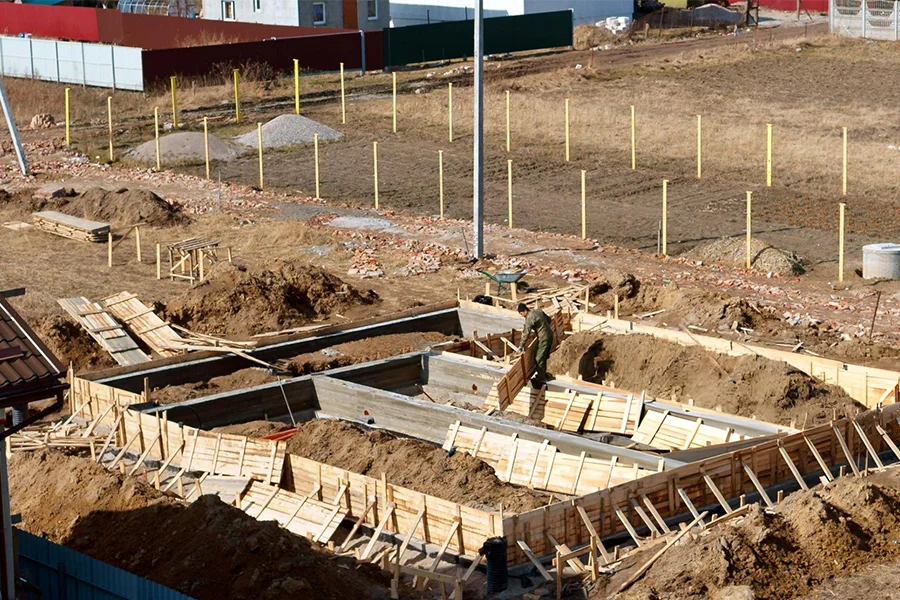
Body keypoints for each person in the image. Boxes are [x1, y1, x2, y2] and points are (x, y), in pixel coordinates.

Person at [517, 303, 553, 386]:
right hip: (549, 335)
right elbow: (549, 320)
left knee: (539, 358)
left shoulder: (529, 318)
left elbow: (526, 333)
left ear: (525, 311)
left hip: (544, 338)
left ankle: (541, 378)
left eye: (521, 313)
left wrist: (521, 345)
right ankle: (543, 374)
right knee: (540, 354)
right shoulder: (538, 311)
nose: (522, 316)